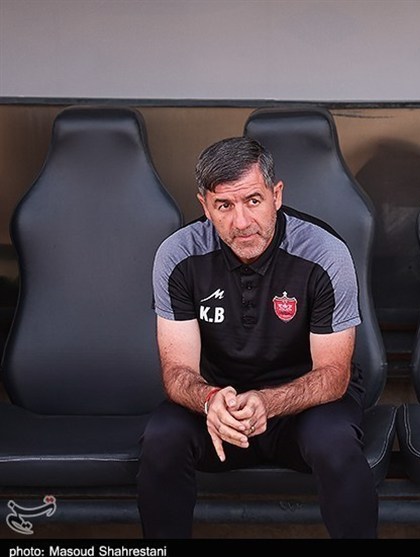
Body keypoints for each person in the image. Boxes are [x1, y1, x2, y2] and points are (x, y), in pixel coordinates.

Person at [136, 136, 377, 538]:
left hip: (305, 405)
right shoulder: (178, 256)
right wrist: (211, 400)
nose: (242, 222)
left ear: (276, 195)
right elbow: (176, 372)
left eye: (253, 200)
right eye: (224, 206)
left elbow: (334, 375)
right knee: (162, 437)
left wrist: (268, 402)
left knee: (334, 442)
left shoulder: (324, 253)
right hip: (220, 406)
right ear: (205, 206)